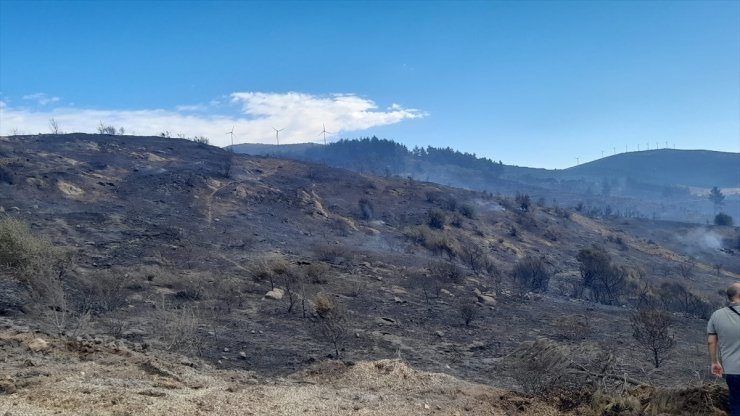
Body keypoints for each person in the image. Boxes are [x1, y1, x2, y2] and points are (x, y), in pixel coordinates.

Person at [708, 282, 740, 416]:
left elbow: (711, 341)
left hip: (733, 372)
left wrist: (715, 362)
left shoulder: (717, 315)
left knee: (736, 404)